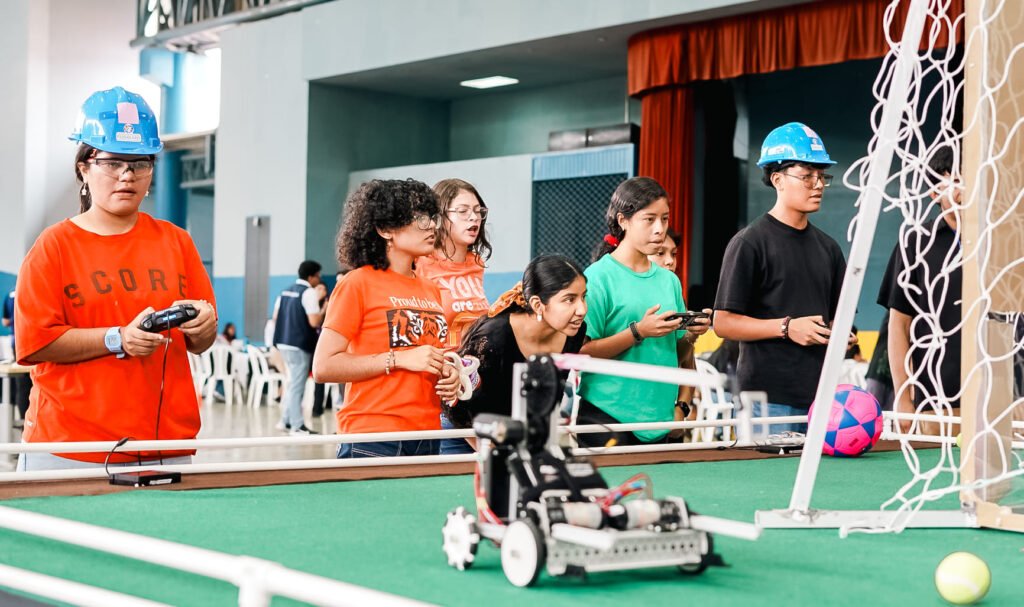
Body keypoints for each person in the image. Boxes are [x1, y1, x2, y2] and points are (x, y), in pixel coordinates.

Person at [14, 86, 218, 471]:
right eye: (113, 163)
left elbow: (199, 343)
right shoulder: (54, 246)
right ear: (84, 168)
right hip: (69, 449)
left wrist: (204, 324)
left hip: (165, 447)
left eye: (140, 163)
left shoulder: (177, 243)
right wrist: (117, 339)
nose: (127, 176)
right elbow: (34, 342)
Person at [714, 122, 853, 436]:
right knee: (768, 485)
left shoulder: (829, 249)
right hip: (766, 398)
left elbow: (837, 319)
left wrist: (840, 335)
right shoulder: (749, 243)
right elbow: (723, 323)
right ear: (777, 179)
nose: (817, 184)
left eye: (821, 176)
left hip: (821, 397)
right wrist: (787, 328)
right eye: (807, 176)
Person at [312, 179, 459, 458]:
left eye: (432, 217)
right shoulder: (358, 283)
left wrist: (447, 371)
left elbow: (427, 356)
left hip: (428, 434)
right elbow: (324, 365)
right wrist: (398, 358)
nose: (432, 226)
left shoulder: (431, 290)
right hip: (374, 436)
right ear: (385, 229)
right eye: (419, 218)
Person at [577, 177, 712, 448]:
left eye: (664, 219)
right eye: (649, 220)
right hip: (606, 415)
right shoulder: (597, 277)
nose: (660, 229)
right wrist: (638, 332)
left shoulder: (669, 281)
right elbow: (580, 353)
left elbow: (680, 354)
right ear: (623, 220)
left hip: (661, 419)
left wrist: (692, 334)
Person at [441, 255, 588, 455]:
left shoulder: (574, 332)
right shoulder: (494, 337)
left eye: (583, 297)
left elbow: (547, 399)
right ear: (537, 304)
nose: (582, 309)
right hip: (466, 434)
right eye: (569, 299)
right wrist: (494, 457)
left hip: (512, 436)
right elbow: (458, 408)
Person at [879, 145, 962, 434]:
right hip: (937, 402)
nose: (962, 188)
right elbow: (899, 325)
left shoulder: (1006, 242)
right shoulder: (914, 242)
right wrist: (903, 396)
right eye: (953, 179)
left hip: (1007, 402)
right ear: (934, 192)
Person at [417, 178, 492, 345]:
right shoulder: (419, 263)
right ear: (440, 217)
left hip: (472, 366)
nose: (474, 217)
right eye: (463, 211)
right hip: (437, 365)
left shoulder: (476, 263)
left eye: (478, 211)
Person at [272, 260, 327, 436]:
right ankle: (297, 425)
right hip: (299, 343)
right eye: (318, 276)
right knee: (297, 385)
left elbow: (275, 317)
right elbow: (314, 321)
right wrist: (324, 308)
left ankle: (285, 420)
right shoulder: (308, 292)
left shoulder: (285, 291)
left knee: (292, 382)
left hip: (283, 341)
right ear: (311, 276)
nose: (319, 279)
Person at [2, 286, 32, 419]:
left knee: (23, 384)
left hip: (20, 343)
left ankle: (24, 421)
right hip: (42, 341)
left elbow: (5, 321)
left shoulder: (10, 295)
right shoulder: (36, 290)